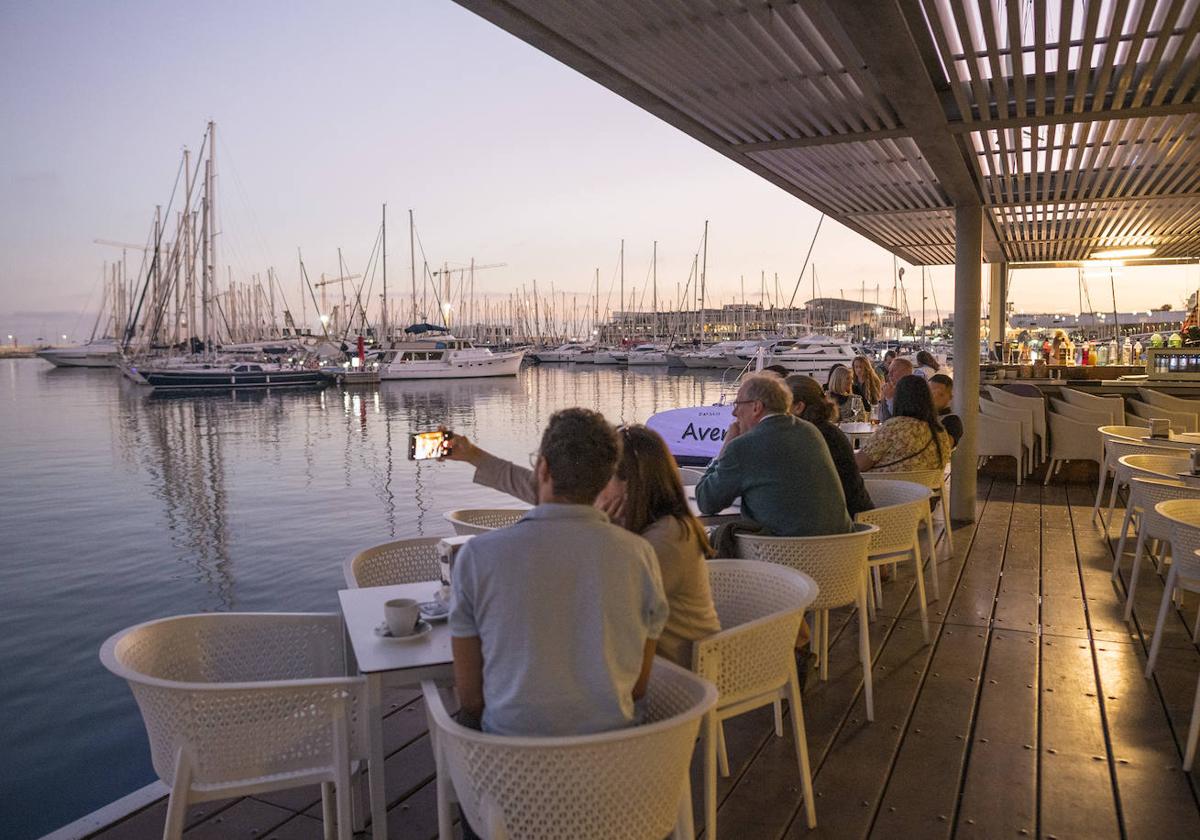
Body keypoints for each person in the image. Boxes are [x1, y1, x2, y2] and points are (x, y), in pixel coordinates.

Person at [448, 408, 669, 738]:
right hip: (615, 760)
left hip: (509, 765)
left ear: (543, 468)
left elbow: (471, 699)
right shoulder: (639, 555)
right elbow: (636, 688)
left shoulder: (477, 557)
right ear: (605, 477)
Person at [444, 423, 719, 668]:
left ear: (631, 482)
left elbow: (598, 601)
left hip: (677, 674)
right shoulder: (624, 514)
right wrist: (472, 454)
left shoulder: (669, 537)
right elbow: (539, 488)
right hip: (627, 660)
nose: (591, 481)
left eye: (602, 474)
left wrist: (597, 527)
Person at [696, 373, 851, 536]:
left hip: (780, 555)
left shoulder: (743, 446)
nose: (734, 413)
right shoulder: (810, 431)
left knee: (705, 541)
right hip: (840, 551)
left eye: (737, 404)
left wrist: (725, 448)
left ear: (756, 407)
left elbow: (706, 501)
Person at [786, 374, 874, 517]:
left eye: (780, 404)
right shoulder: (826, 430)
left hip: (845, 524)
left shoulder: (811, 436)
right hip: (851, 513)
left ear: (798, 407)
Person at [856, 375, 952, 474]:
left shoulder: (895, 427)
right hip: (927, 488)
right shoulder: (940, 431)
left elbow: (859, 464)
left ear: (899, 398)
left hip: (887, 488)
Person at [928, 373, 963, 446]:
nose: (933, 397)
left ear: (950, 397)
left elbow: (946, 446)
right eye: (929, 393)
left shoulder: (952, 421)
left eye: (940, 394)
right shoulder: (922, 414)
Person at [878, 356, 914, 422]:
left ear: (905, 373)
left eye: (893, 371)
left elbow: (902, 419)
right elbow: (881, 418)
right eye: (889, 371)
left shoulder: (912, 393)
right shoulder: (889, 389)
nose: (889, 374)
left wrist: (890, 398)